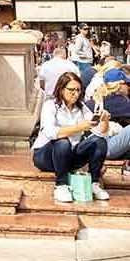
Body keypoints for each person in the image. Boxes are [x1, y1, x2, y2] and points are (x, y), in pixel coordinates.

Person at [31, 71, 110, 203]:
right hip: (45, 155)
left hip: (70, 154)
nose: (76, 93)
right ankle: (61, 185)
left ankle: (94, 183)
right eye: (71, 90)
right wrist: (78, 127)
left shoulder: (82, 108)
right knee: (62, 141)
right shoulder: (50, 106)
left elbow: (100, 132)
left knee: (99, 142)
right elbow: (51, 133)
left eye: (78, 90)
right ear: (61, 89)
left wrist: (104, 121)